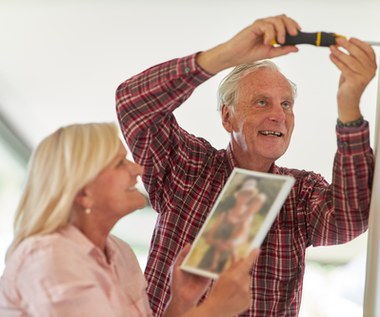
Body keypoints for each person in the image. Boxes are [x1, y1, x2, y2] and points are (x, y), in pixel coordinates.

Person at [116, 13, 377, 316]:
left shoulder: (301, 193)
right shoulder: (187, 166)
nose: (278, 115)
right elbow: (132, 104)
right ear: (227, 117)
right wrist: (225, 55)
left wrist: (349, 108)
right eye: (262, 102)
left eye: (286, 104)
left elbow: (352, 218)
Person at [0, 122, 260, 317]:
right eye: (119, 163)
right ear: (83, 192)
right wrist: (215, 309)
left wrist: (181, 302)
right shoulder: (49, 257)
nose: (137, 169)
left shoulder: (120, 253)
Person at [197, 178, 266, 273]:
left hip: (227, 258)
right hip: (210, 255)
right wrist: (217, 243)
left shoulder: (247, 219)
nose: (244, 198)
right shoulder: (224, 214)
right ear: (238, 195)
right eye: (243, 194)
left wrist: (232, 244)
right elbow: (209, 237)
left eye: (248, 195)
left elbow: (243, 239)